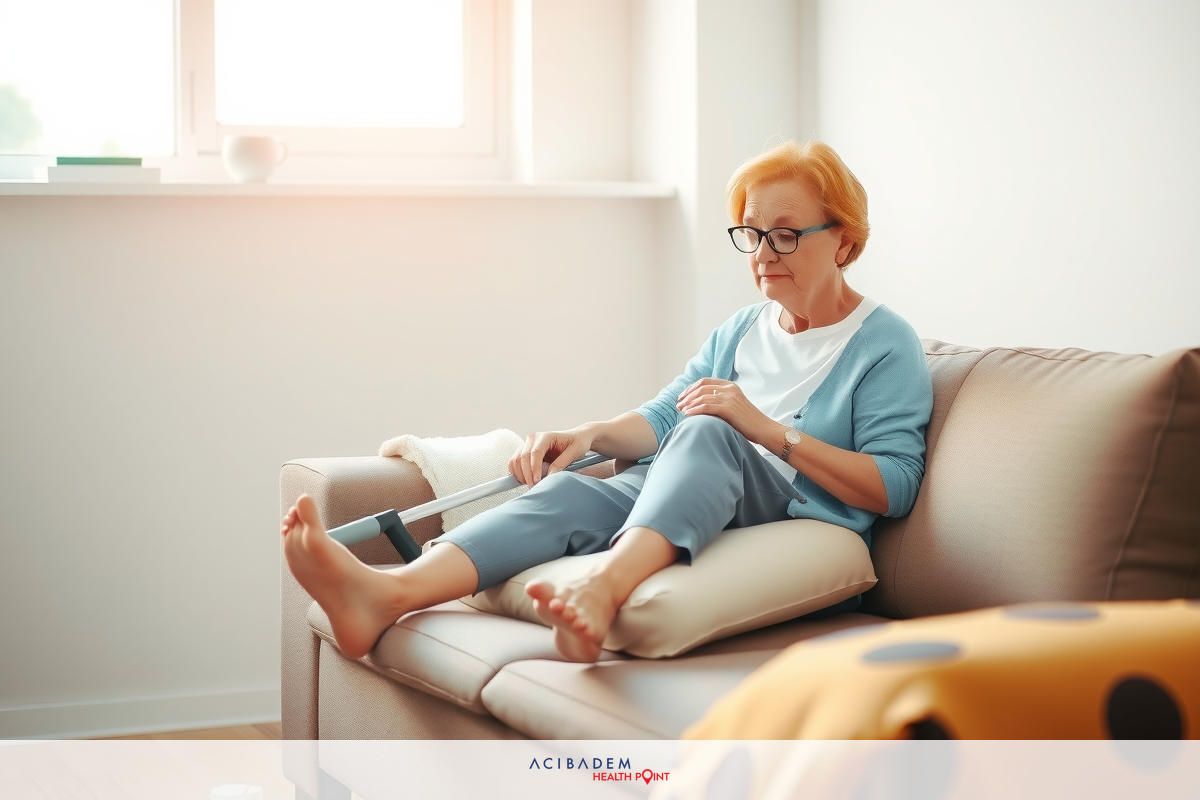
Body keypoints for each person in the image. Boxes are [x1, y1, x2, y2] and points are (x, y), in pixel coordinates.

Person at [281, 139, 933, 664]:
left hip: (790, 506)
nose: (762, 255)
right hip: (697, 481)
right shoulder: (740, 329)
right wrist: (589, 435)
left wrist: (761, 429)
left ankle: (605, 586)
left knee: (709, 432)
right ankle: (385, 594)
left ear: (844, 241)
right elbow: (660, 419)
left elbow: (895, 486)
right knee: (570, 490)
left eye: (785, 234)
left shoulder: (883, 342)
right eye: (751, 233)